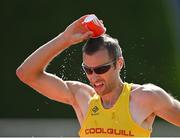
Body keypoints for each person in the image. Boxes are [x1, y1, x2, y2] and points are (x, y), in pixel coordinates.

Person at [16, 14, 180, 137]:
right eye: (88, 70)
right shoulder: (82, 97)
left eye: (101, 69)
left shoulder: (146, 97)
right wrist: (65, 39)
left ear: (119, 64)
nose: (94, 77)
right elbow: (26, 74)